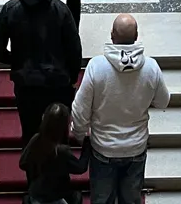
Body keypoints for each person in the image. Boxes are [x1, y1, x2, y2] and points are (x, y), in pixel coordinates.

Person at [71, 14, 170, 204]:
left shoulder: (96, 66)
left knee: (102, 200)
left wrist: (79, 133)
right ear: (137, 35)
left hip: (103, 149)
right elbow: (163, 102)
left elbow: (80, 109)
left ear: (111, 35)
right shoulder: (151, 67)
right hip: (136, 147)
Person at [0, 0, 81, 144]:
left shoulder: (10, 9)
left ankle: (33, 170)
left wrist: (16, 60)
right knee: (58, 133)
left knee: (30, 133)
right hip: (57, 83)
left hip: (26, 84)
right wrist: (72, 78)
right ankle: (58, 170)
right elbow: (74, 49)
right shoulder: (60, 9)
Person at [20, 102, 90, 204]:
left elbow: (22, 164)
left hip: (37, 195)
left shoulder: (36, 139)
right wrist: (87, 145)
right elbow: (80, 168)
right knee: (76, 197)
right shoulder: (62, 151)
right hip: (57, 197)